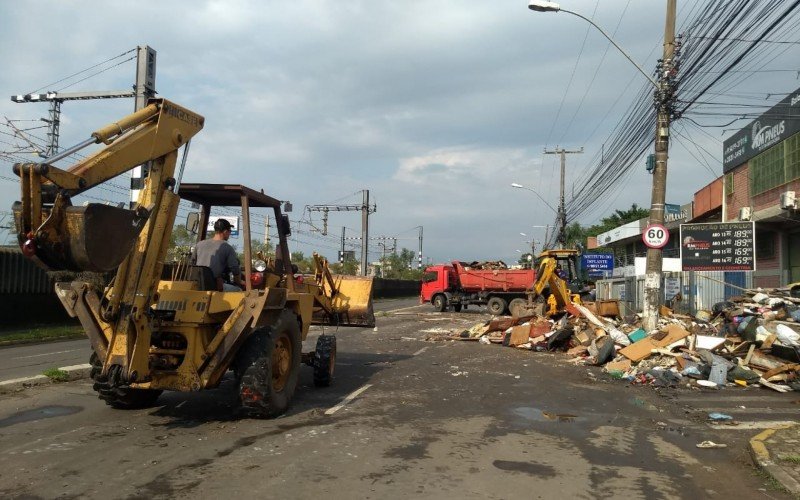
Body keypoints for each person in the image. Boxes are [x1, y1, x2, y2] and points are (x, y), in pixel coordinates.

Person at [194, 218, 242, 291]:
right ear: (225, 232)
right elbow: (235, 269)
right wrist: (240, 282)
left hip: (197, 284)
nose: (229, 234)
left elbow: (192, 262)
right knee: (239, 290)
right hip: (214, 285)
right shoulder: (227, 248)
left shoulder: (199, 244)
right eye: (230, 231)